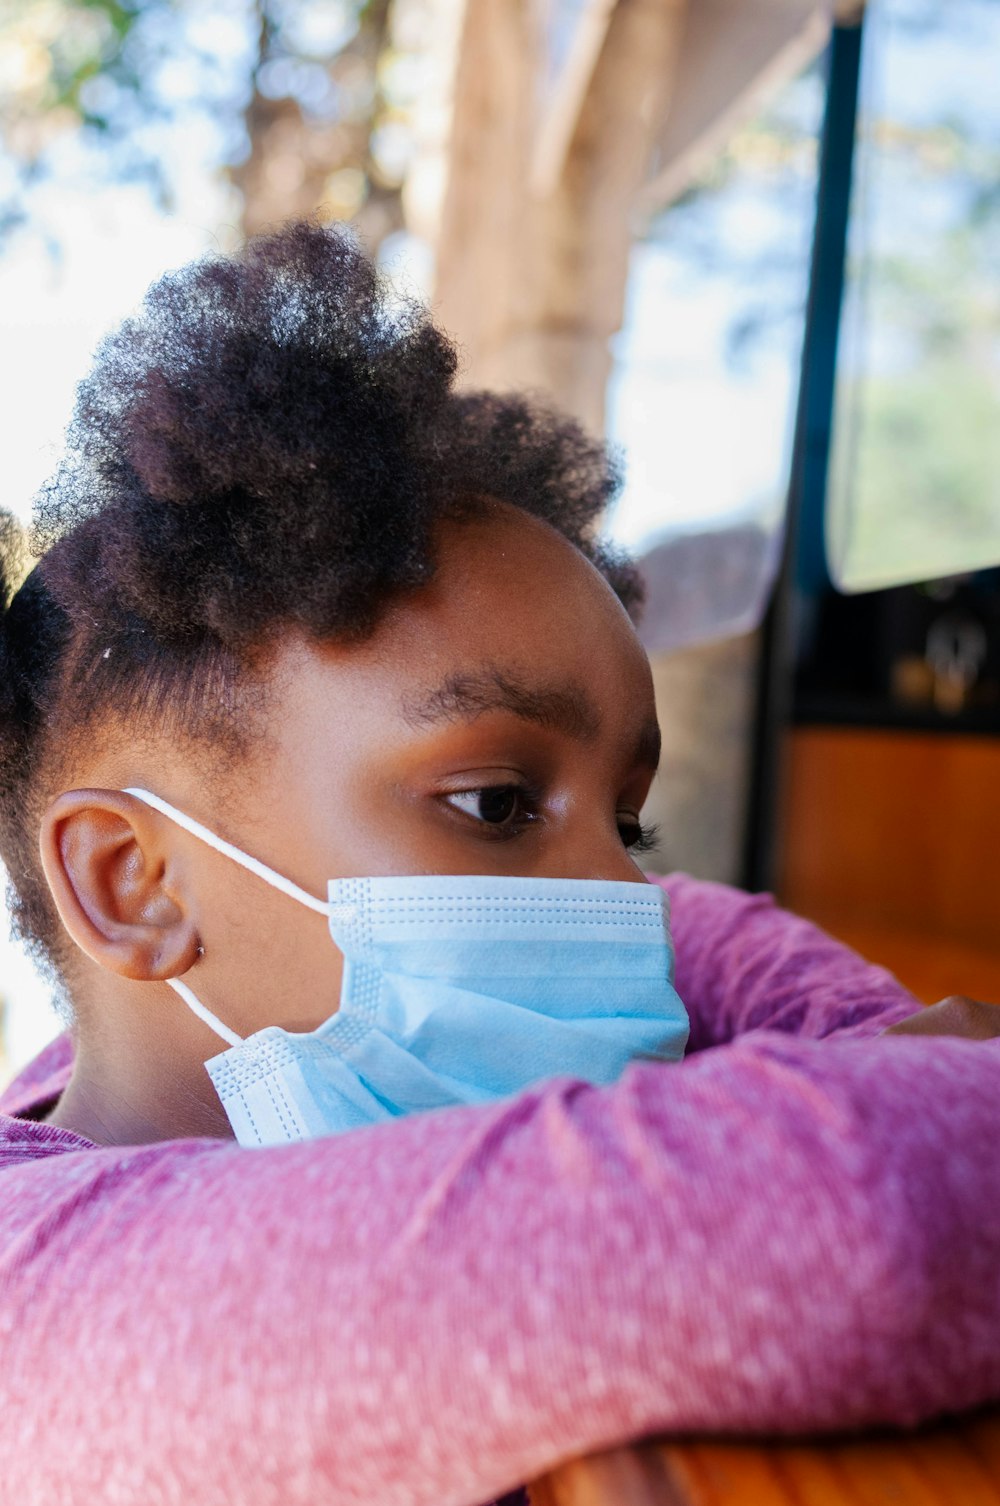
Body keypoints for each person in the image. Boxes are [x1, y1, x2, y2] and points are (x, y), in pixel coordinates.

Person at [0, 223, 997, 1506]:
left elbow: (727, 949)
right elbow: (863, 1217)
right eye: (495, 801)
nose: (622, 900)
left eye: (624, 820)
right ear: (134, 885)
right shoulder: (39, 1296)